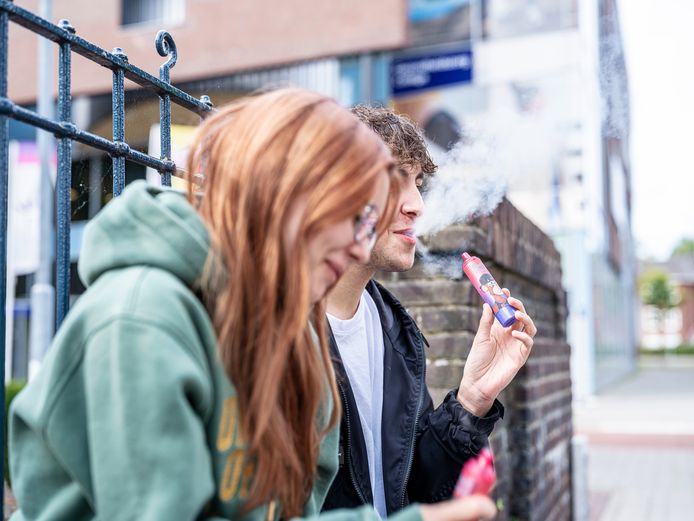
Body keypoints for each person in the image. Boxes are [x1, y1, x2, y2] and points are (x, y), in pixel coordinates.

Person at [8, 89, 496, 521]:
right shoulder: (142, 318)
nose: (356, 246)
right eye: (352, 214)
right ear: (284, 200)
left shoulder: (293, 336)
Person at [322, 106, 537, 517]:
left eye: (417, 182)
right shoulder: (273, 336)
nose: (417, 204)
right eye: (394, 178)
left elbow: (412, 491)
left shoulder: (396, 332)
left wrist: (472, 400)